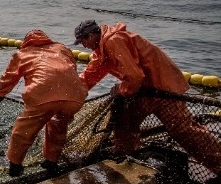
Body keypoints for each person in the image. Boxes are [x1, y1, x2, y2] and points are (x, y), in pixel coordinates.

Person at [74, 20, 221, 175]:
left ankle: (219, 166)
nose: (83, 46)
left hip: (164, 90)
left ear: (91, 35)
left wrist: (121, 91)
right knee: (124, 122)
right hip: (143, 91)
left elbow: (134, 76)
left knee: (183, 130)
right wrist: (69, 95)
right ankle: (128, 160)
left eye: (83, 41)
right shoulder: (102, 50)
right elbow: (89, 76)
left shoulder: (113, 41)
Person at [0, 30, 88, 177]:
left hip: (42, 95)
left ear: (26, 42)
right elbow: (70, 70)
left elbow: (9, 76)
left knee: (23, 131)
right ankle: (51, 162)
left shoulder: (22, 53)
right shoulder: (62, 49)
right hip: (75, 96)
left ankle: (15, 166)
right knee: (58, 126)